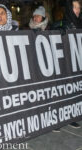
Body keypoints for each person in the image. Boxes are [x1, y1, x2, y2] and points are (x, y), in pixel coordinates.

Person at [52, 0, 81, 131]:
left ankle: (72, 117)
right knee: (62, 92)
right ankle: (56, 120)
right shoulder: (62, 22)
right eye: (74, 7)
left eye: (78, 7)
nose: (77, 10)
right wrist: (60, 29)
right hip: (64, 65)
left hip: (77, 65)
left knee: (74, 91)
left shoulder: (80, 23)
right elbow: (51, 30)